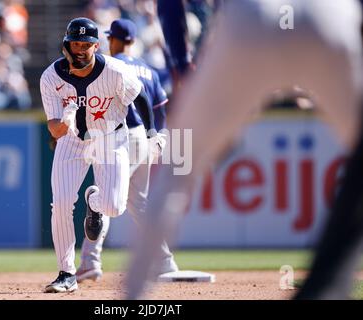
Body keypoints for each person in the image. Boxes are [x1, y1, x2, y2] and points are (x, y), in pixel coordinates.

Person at [126, 0, 363, 299]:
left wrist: (182, 66)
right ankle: (327, 288)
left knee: (176, 169)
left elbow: (170, 4)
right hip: (331, 14)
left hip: (253, 19)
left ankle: (133, 296)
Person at [40, 17, 160, 293]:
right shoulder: (51, 76)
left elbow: (140, 97)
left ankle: (94, 202)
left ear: (97, 46)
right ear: (66, 45)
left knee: (114, 207)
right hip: (72, 141)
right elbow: (56, 130)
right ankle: (66, 273)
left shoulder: (115, 70)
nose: (80, 49)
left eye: (87, 44)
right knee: (60, 203)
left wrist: (152, 133)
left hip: (110, 137)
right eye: (75, 43)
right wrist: (65, 120)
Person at [75, 18, 178, 282]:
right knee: (137, 203)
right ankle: (165, 261)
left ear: (115, 40)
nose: (109, 42)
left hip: (120, 137)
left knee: (107, 196)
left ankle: (90, 261)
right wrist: (158, 138)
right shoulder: (149, 70)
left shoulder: (110, 66)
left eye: (110, 38)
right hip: (145, 139)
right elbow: (159, 110)